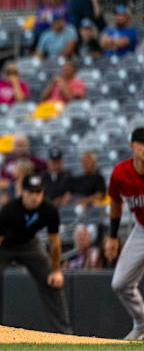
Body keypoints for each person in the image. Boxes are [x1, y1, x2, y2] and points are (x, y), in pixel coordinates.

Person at [0, 175, 72, 334]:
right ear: (23, 192)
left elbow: (55, 242)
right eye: (31, 192)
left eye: (38, 192)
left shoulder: (49, 210)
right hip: (3, 246)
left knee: (52, 281)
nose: (35, 197)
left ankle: (64, 333)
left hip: (29, 244)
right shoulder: (9, 209)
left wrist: (56, 270)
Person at [106, 127, 144, 340]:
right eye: (141, 143)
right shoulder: (120, 172)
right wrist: (112, 236)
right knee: (120, 283)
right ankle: (141, 324)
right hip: (141, 229)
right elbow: (115, 202)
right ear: (132, 146)